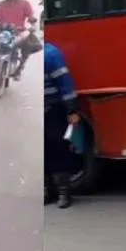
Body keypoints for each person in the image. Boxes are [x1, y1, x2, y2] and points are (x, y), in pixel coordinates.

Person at [44, 42, 81, 209]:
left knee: (58, 150)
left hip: (53, 109)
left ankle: (64, 193)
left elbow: (66, 84)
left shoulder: (51, 54)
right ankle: (47, 191)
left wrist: (72, 110)